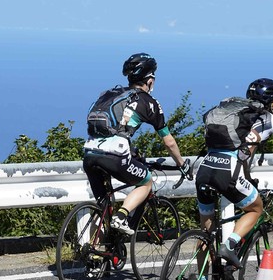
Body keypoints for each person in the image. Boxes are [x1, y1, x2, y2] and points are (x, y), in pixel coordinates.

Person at [195, 78, 273, 269]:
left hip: (205, 169)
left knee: (207, 232)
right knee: (256, 208)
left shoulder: (238, 114)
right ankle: (229, 246)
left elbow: (243, 155)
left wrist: (247, 180)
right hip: (228, 172)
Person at [82, 52, 191, 235]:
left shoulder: (110, 93)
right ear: (149, 80)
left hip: (90, 152)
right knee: (146, 182)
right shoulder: (148, 102)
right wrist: (182, 164)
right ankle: (122, 216)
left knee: (103, 208)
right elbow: (169, 142)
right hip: (114, 155)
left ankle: (95, 253)